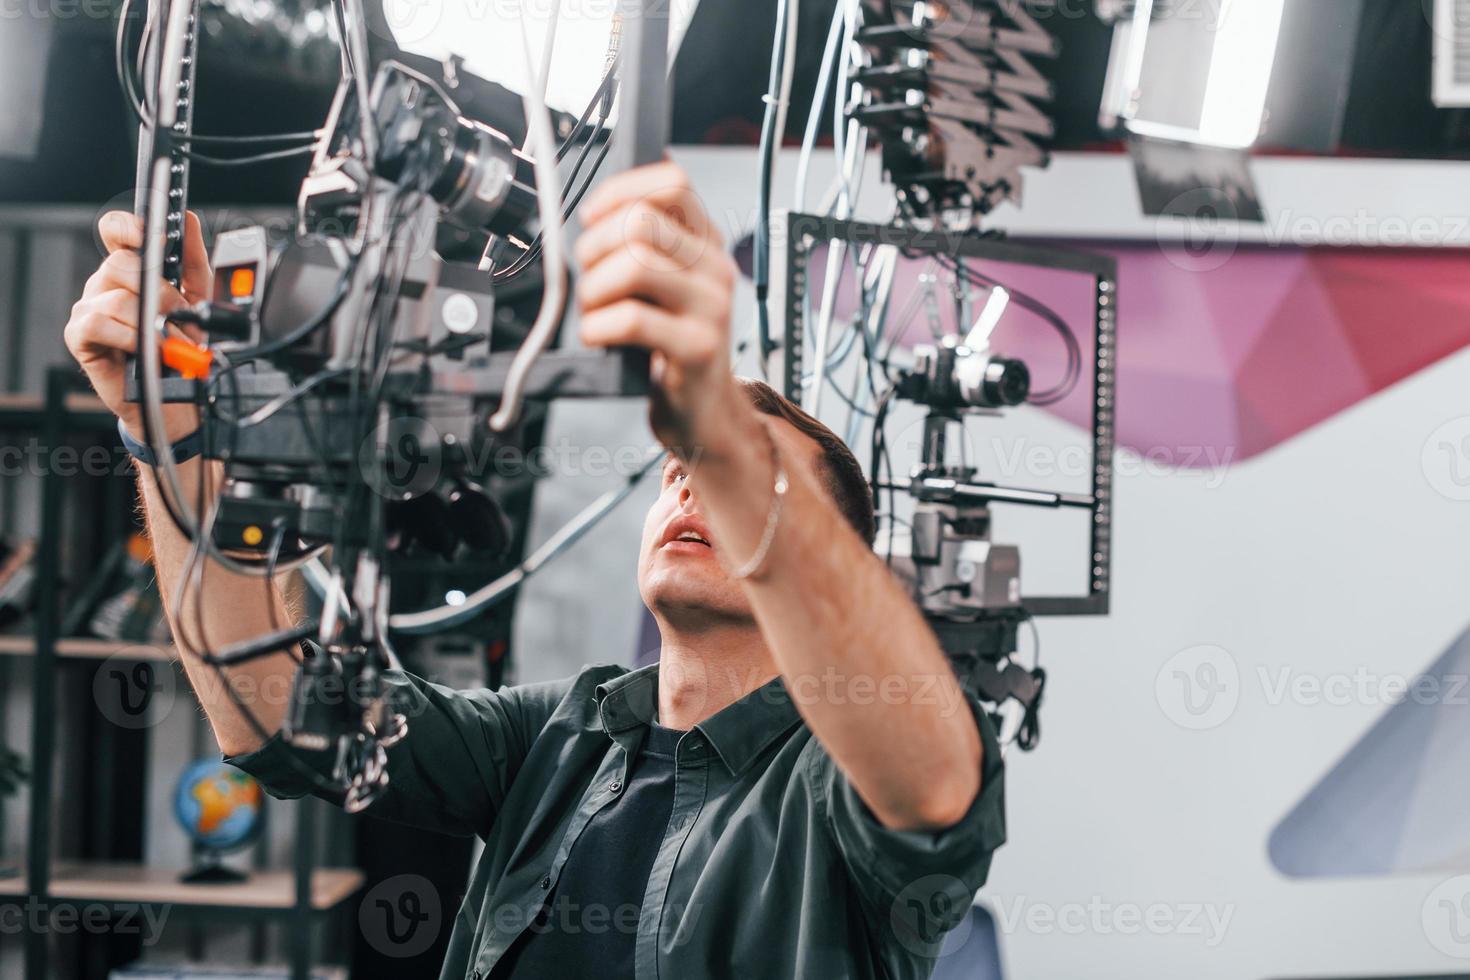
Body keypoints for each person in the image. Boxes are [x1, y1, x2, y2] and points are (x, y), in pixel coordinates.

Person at [64, 161, 1005, 979]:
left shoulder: (835, 780)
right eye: (678, 471)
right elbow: (267, 709)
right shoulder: (555, 737)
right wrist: (171, 438)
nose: (692, 491)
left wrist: (720, 423)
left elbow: (927, 785)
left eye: (739, 478)